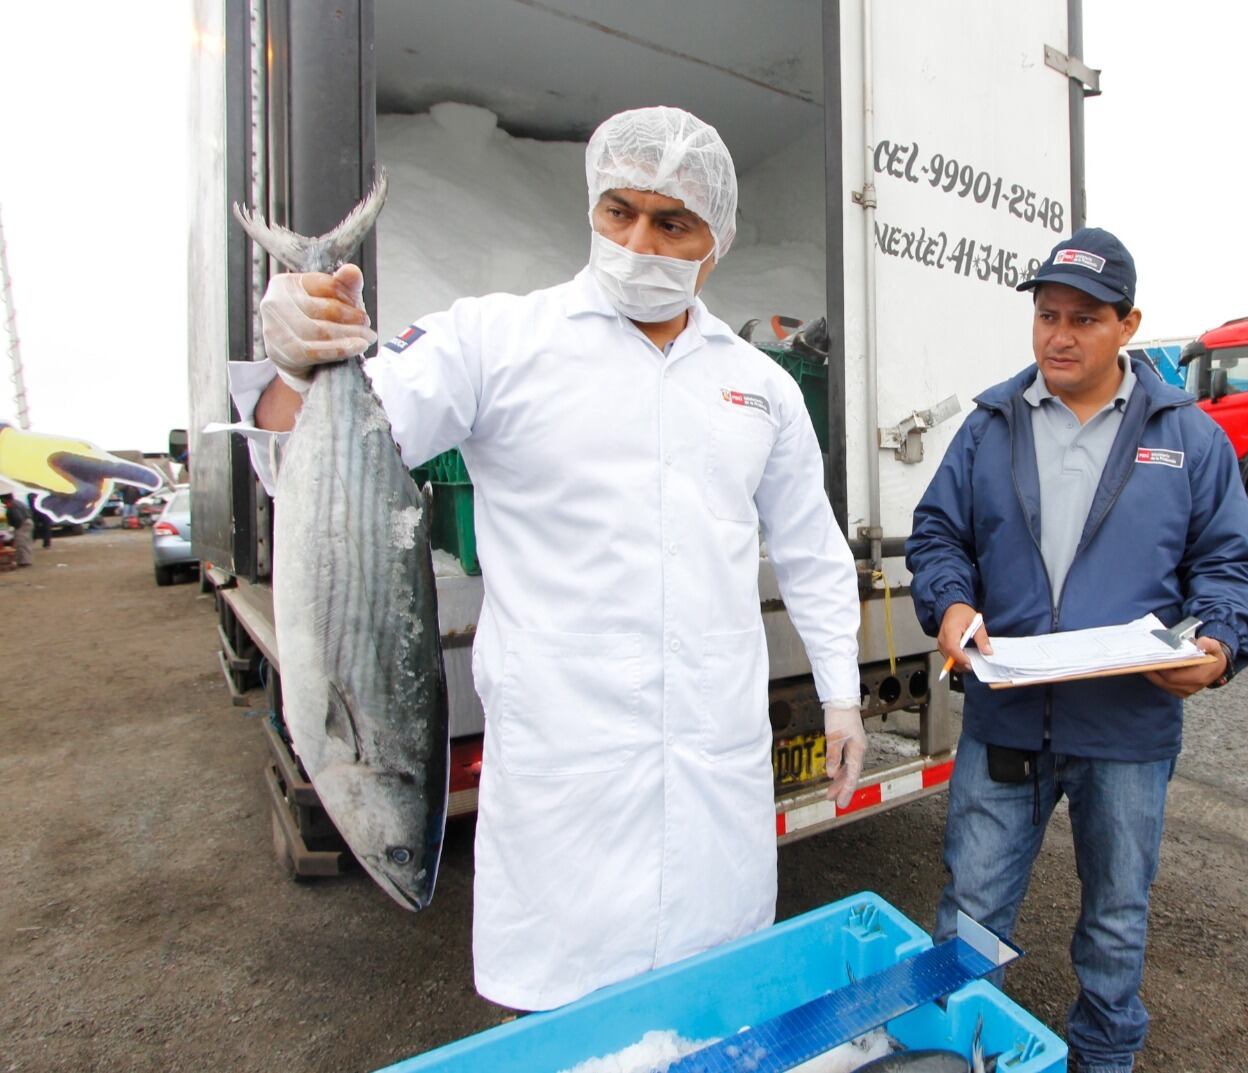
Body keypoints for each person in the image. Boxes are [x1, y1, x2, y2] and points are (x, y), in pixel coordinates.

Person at [229, 106, 867, 1012]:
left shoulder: (760, 386)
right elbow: (326, 463)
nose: (639, 239)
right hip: (565, 795)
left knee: (714, 1022)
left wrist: (840, 695)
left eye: (671, 221)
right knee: (568, 1033)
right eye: (619, 211)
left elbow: (811, 550)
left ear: (714, 242)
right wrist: (296, 363)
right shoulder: (495, 341)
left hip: (713, 786)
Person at [905, 228, 1248, 1073]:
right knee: (971, 908)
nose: (1060, 336)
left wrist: (1216, 647)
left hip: (1127, 728)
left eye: (1085, 319)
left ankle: (1103, 1059)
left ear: (1128, 324)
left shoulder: (1189, 437)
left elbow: (1229, 564)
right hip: (1007, 717)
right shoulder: (991, 425)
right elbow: (937, 536)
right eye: (1046, 315)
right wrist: (951, 603)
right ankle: (950, 1051)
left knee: (1114, 920)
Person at [3, 492, 33, 567]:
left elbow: (18, 518)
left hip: (22, 524)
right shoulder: (17, 502)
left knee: (21, 543)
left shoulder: (13, 505)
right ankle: (25, 560)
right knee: (25, 542)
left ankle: (24, 561)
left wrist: (14, 527)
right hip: (27, 522)